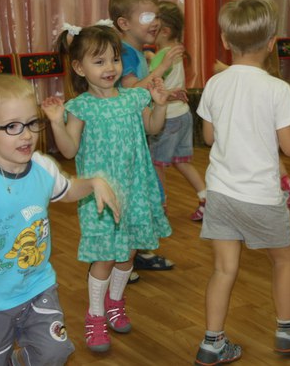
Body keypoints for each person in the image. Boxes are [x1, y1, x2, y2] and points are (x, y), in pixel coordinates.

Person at [0, 74, 120, 365]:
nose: (27, 135)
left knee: (55, 352)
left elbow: (67, 190)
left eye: (32, 123)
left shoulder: (42, 166)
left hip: (38, 287)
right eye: (12, 126)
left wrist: (93, 183)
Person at [195, 0, 290, 365]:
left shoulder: (215, 83)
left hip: (220, 193)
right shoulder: (276, 89)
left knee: (224, 269)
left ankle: (212, 343)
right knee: (283, 261)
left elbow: (208, 137)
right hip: (260, 197)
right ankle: (288, 332)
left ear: (225, 40)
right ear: (272, 43)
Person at [42, 24, 172, 352]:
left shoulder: (134, 98)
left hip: (136, 188)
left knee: (128, 253)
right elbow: (69, 150)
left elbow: (153, 127)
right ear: (79, 68)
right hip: (100, 196)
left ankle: (116, 302)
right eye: (99, 62)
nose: (110, 68)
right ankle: (96, 315)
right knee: (104, 257)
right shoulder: (81, 107)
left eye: (114, 59)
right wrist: (56, 122)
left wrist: (159, 104)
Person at [109, 0, 184, 271]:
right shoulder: (125, 54)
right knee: (128, 202)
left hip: (137, 138)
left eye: (156, 16)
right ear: (124, 23)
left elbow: (141, 93)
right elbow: (130, 93)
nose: (155, 22)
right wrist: (161, 68)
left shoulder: (138, 52)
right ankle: (121, 260)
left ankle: (134, 253)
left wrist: (166, 94)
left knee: (139, 200)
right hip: (123, 143)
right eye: (146, 17)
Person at [147, 0, 208, 221]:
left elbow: (151, 80)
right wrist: (151, 58)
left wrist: (149, 62)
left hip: (168, 119)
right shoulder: (175, 51)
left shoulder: (162, 56)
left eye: (154, 24)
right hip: (183, 115)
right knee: (182, 161)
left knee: (157, 164)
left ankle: (160, 207)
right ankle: (206, 198)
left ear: (164, 31)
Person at [213, 60, 290, 210]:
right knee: (266, 153)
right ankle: (286, 183)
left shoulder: (265, 84)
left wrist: (224, 69)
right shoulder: (261, 83)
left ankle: (286, 184)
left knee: (263, 153)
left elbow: (247, 75)